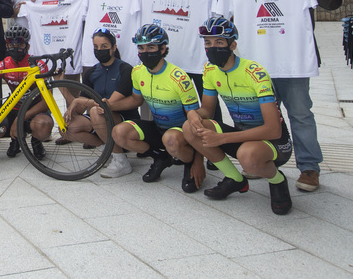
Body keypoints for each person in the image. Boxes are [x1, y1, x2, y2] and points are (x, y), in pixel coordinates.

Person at [227, 0, 342, 193]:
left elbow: (334, 1)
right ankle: (261, 159)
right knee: (260, 117)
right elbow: (230, 13)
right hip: (257, 64)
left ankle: (309, 167)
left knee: (300, 114)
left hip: (293, 60)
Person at [184, 17, 294, 215]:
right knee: (189, 127)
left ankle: (277, 181)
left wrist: (222, 138)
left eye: (219, 42)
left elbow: (273, 129)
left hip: (274, 142)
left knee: (248, 156)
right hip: (242, 137)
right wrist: (193, 113)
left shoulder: (255, 72)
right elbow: (207, 110)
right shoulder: (210, 70)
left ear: (232, 45)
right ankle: (234, 179)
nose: (212, 47)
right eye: (207, 43)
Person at [105, 25, 205, 192]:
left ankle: (189, 161)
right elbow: (136, 100)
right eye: (141, 48)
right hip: (158, 128)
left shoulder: (179, 77)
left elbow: (197, 121)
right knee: (118, 132)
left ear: (163, 48)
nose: (145, 52)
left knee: (171, 140)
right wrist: (110, 105)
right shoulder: (137, 71)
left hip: (180, 133)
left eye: (151, 47)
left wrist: (198, 162)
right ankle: (161, 158)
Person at [63, 29, 140, 171]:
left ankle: (120, 160)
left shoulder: (126, 69)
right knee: (67, 126)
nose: (99, 50)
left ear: (114, 48)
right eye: (96, 47)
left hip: (125, 118)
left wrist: (80, 102)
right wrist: (62, 85)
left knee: (96, 111)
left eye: (104, 47)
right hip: (100, 118)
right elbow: (79, 108)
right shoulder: (91, 73)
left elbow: (109, 104)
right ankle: (108, 147)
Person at [0, 25, 50, 159]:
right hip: (13, 108)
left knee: (43, 126)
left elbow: (46, 102)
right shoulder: (2, 65)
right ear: (6, 46)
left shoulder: (39, 65)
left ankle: (36, 141)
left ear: (27, 46)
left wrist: (21, 118)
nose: (15, 47)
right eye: (11, 44)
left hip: (35, 110)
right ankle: (16, 139)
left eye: (19, 44)